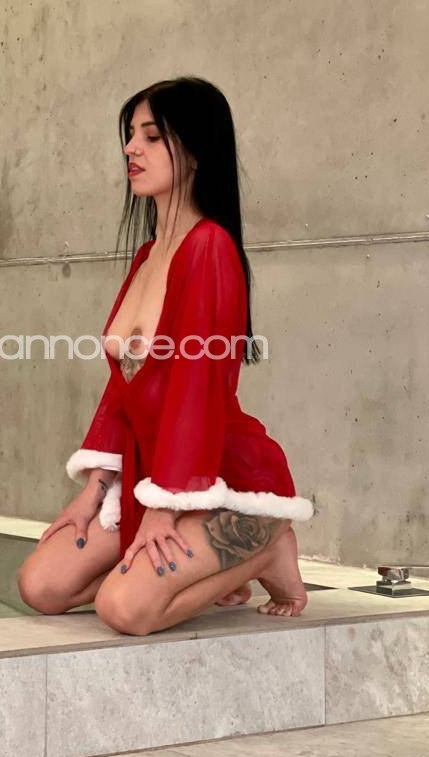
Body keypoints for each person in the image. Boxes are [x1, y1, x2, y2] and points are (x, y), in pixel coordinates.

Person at [17, 76, 315, 636]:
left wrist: (164, 508)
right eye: (131, 135)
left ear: (195, 151)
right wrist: (94, 490)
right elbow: (123, 389)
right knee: (42, 586)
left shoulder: (211, 248)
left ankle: (269, 548)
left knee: (125, 609)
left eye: (152, 137)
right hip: (152, 474)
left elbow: (195, 392)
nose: (131, 148)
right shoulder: (149, 255)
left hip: (218, 477)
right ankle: (206, 567)